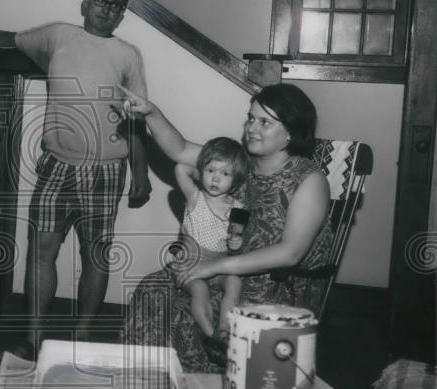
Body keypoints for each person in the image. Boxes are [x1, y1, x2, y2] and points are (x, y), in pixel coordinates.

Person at [0, 0, 150, 358]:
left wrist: (140, 175)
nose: (105, 10)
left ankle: (83, 337)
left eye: (115, 5)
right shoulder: (58, 36)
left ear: (122, 13)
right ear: (85, 0)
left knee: (95, 253)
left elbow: (138, 119)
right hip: (56, 164)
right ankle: (35, 338)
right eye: (99, 0)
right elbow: (11, 39)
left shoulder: (128, 56)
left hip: (105, 171)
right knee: (41, 251)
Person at [118, 83, 333, 372]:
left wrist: (215, 269)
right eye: (251, 118)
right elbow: (180, 150)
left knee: (180, 308)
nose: (251, 128)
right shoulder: (240, 164)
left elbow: (290, 253)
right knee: (153, 288)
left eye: (265, 122)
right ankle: (151, 387)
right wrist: (151, 113)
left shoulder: (309, 180)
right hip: (222, 268)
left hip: (278, 285)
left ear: (290, 133)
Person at [173, 137, 248, 348]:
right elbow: (180, 168)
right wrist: (200, 170)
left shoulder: (239, 208)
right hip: (190, 264)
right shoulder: (195, 198)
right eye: (211, 171)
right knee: (199, 289)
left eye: (225, 174)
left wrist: (236, 243)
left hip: (217, 267)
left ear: (236, 178)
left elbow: (236, 238)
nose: (216, 179)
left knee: (234, 281)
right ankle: (211, 334)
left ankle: (224, 330)